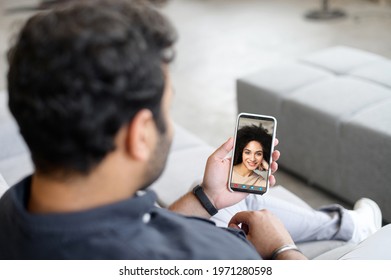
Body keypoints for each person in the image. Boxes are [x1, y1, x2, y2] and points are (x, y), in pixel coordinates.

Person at [0, 0, 381, 260]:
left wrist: (207, 196)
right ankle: (354, 229)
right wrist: (281, 249)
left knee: (244, 197)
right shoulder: (209, 258)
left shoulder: (13, 212)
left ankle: (348, 225)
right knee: (258, 207)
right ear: (140, 134)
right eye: (168, 105)